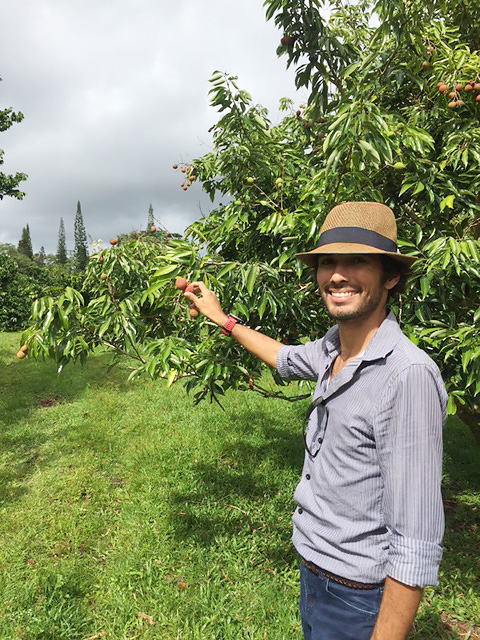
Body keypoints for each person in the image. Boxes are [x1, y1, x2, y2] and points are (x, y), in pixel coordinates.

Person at [183, 201, 447, 640]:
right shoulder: (332, 349)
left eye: (358, 261)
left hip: (357, 594)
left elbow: (415, 540)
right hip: (313, 570)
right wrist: (222, 320)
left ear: (392, 276)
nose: (337, 275)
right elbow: (283, 357)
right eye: (328, 262)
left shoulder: (407, 377)